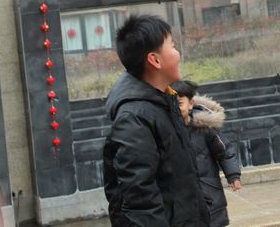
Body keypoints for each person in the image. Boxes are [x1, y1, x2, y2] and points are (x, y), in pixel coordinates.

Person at [103, 15, 210, 227]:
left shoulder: (164, 101)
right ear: (155, 60)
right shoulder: (134, 117)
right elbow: (140, 201)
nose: (178, 54)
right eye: (173, 46)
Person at [173, 80, 241, 227]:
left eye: (179, 104)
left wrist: (233, 175)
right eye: (171, 105)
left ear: (190, 104)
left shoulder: (204, 128)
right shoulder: (166, 131)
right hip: (183, 199)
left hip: (209, 193)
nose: (175, 109)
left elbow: (224, 151)